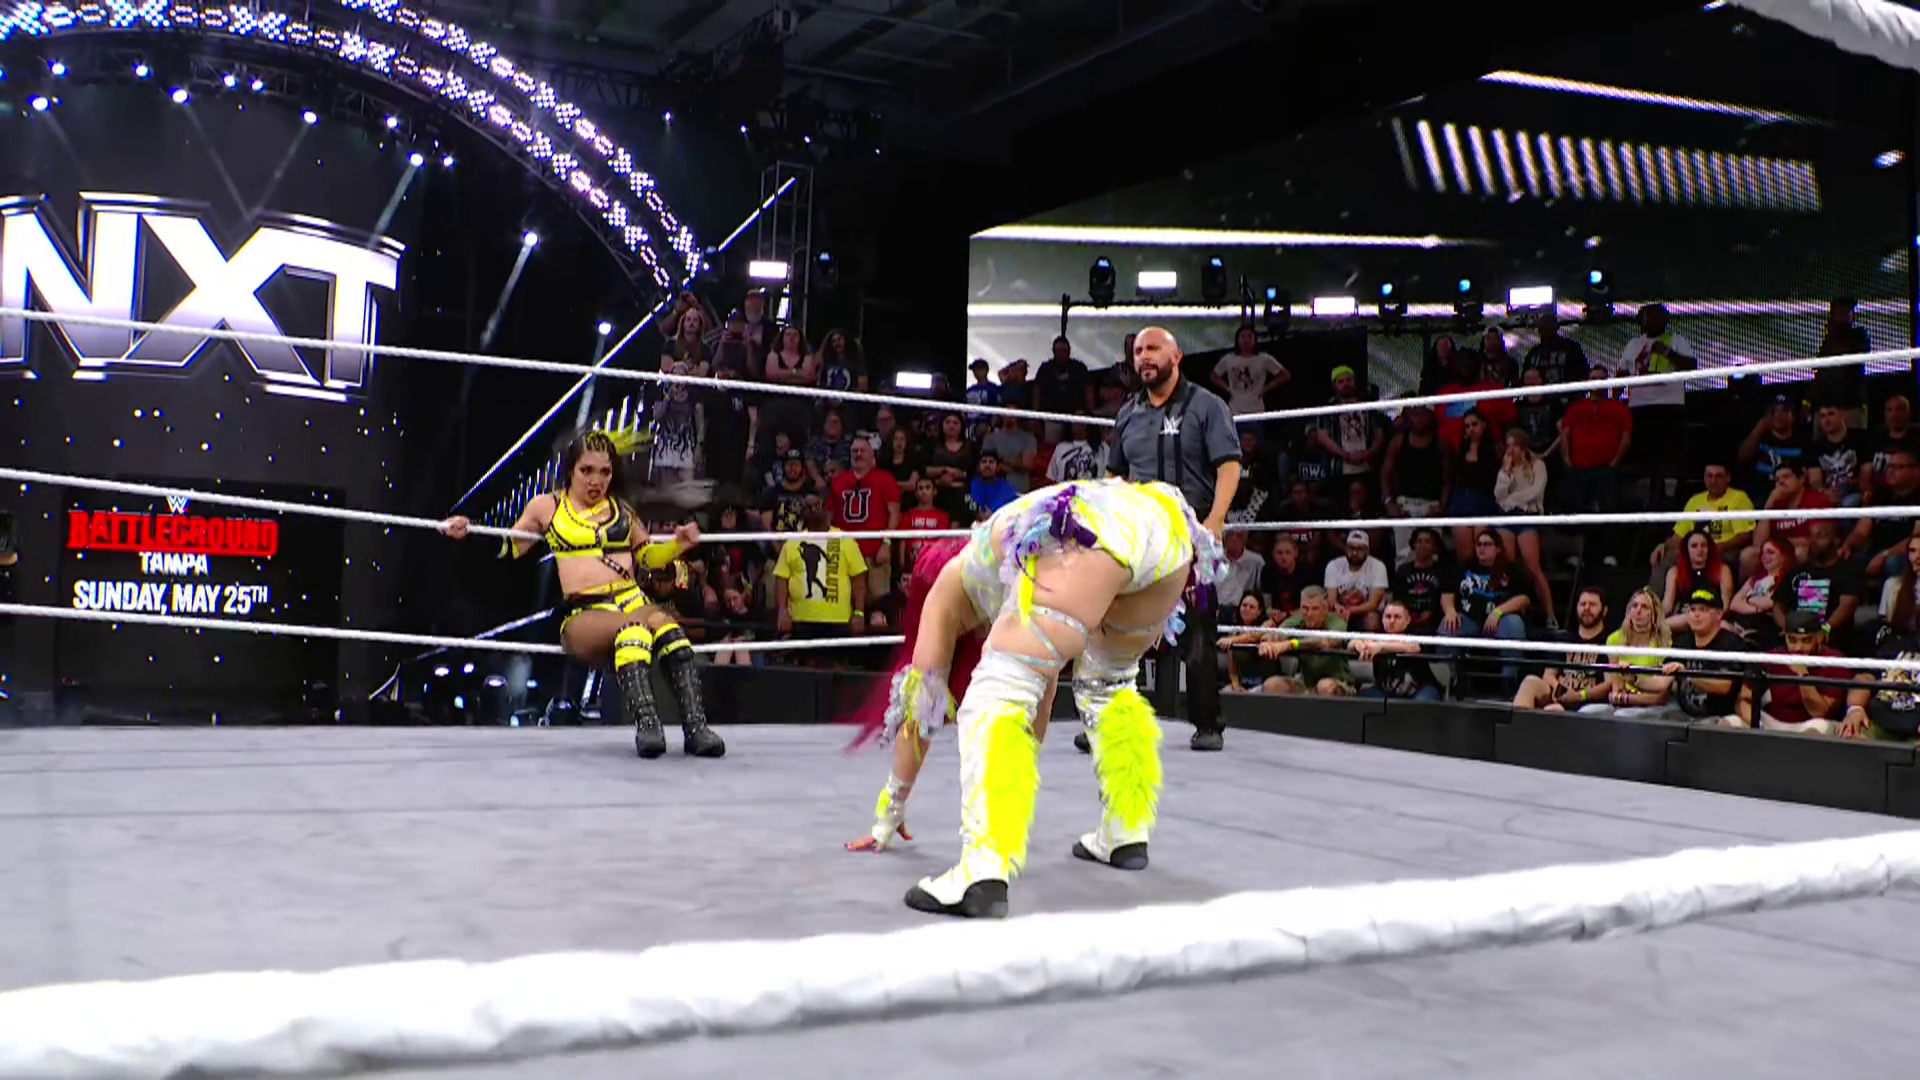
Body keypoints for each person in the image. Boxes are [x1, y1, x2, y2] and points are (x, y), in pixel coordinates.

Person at [876, 476, 1227, 918]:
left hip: (1095, 532)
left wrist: (891, 805)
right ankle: (1125, 830)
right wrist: (1016, 768)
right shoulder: (1014, 556)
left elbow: (923, 701)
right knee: (1109, 683)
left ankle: (981, 869)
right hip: (1166, 531)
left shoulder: (949, 584)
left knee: (994, 692)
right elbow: (1035, 711)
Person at [440, 430, 724, 759]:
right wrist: (471, 530)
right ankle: (648, 725)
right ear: (571, 469)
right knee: (633, 631)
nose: (596, 480)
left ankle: (696, 729)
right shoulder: (547, 507)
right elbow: (510, 545)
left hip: (631, 600)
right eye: (587, 470)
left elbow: (647, 557)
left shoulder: (621, 509)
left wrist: (677, 545)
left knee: (673, 635)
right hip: (586, 612)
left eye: (604, 471)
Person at [1103, 326, 1241, 753]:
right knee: (1116, 629)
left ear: (1176, 355)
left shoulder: (1206, 405)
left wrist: (1215, 520)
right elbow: (1114, 475)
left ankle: (1207, 723)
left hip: (1189, 531)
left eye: (1153, 349)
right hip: (1139, 534)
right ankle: (1107, 722)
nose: (1144, 357)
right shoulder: (1128, 413)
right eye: (1138, 351)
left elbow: (1229, 465)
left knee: (1197, 628)